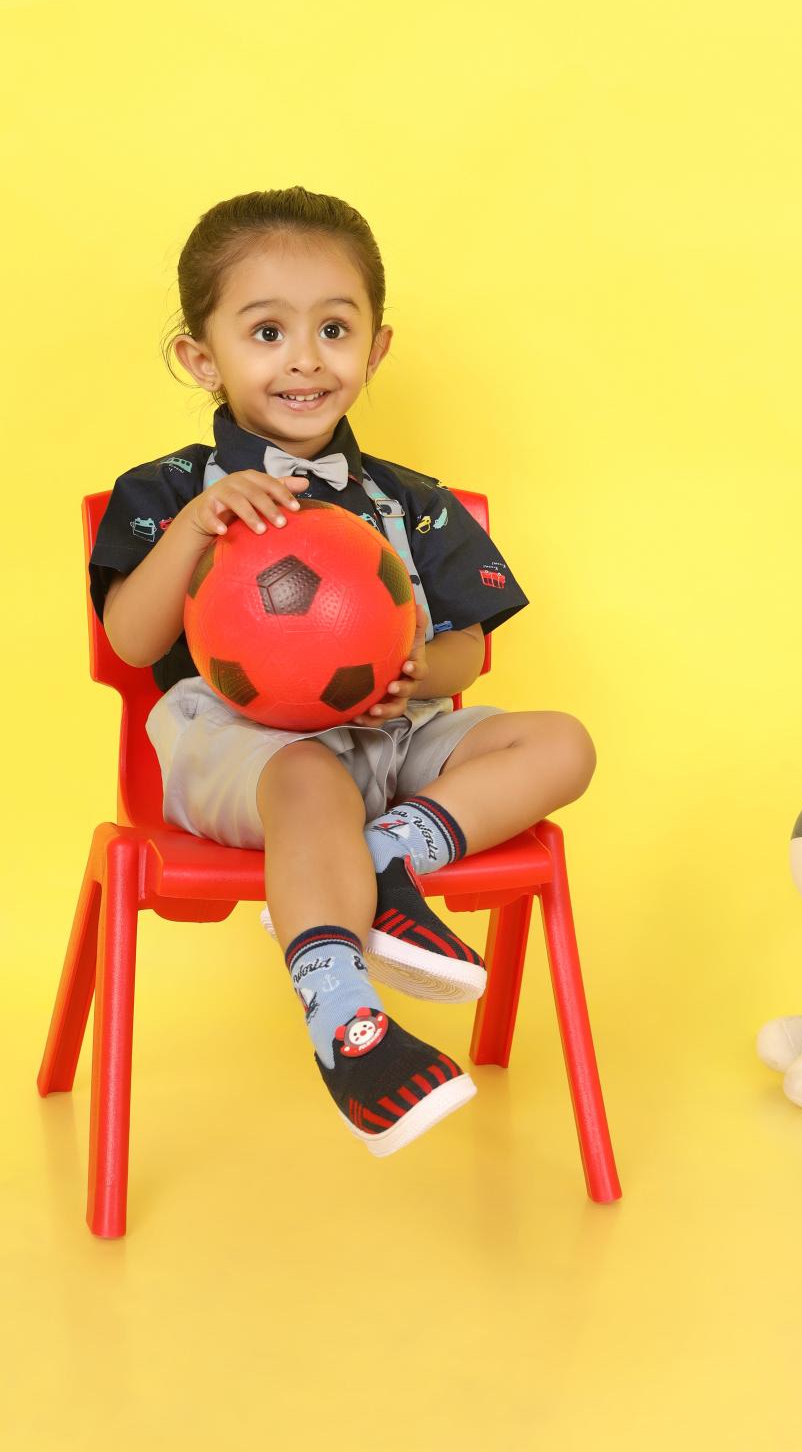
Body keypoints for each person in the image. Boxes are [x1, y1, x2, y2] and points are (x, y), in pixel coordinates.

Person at [88, 186, 597, 1158]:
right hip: (247, 756)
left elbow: (469, 650)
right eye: (266, 332)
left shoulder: (415, 502)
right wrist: (197, 527)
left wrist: (419, 669)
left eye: (334, 328)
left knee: (561, 743)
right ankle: (346, 1025)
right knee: (310, 775)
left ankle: (390, 855)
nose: (305, 359)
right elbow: (131, 640)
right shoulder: (166, 492)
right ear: (201, 358)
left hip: (391, 734)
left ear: (376, 347)